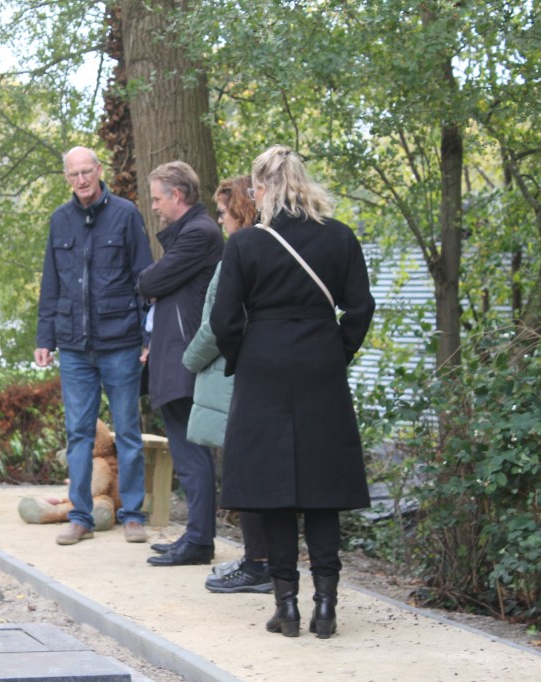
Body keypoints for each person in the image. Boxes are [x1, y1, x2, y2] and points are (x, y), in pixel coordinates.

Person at [210, 145, 375, 638]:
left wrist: (243, 356)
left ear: (262, 189)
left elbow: (223, 320)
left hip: (263, 370)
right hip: (320, 369)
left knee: (273, 491)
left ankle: (287, 609)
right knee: (323, 490)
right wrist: (336, 352)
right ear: (303, 183)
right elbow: (361, 308)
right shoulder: (340, 238)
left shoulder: (244, 246)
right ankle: (327, 607)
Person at [35, 146, 153, 546]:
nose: (82, 180)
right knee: (78, 435)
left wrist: (147, 336)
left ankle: (133, 514)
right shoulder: (60, 221)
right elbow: (51, 283)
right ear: (66, 178)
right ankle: (80, 516)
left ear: (99, 171)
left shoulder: (125, 214)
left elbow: (144, 279)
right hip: (73, 347)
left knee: (129, 432)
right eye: (74, 174)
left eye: (87, 172)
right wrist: (44, 338)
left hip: (120, 342)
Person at [180, 175, 272, 593]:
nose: (219, 221)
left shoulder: (240, 255)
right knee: (251, 472)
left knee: (243, 474)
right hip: (249, 375)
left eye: (223, 213)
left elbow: (219, 323)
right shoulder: (268, 252)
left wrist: (188, 360)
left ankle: (258, 564)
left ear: (242, 211)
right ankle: (261, 559)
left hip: (231, 377)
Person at [137, 161, 224, 567]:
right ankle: (194, 536)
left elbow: (150, 283)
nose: (153, 206)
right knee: (187, 453)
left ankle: (200, 541)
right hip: (174, 354)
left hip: (184, 358)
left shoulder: (199, 234)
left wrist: (150, 284)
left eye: (156, 198)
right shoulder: (191, 234)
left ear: (176, 195)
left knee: (191, 455)